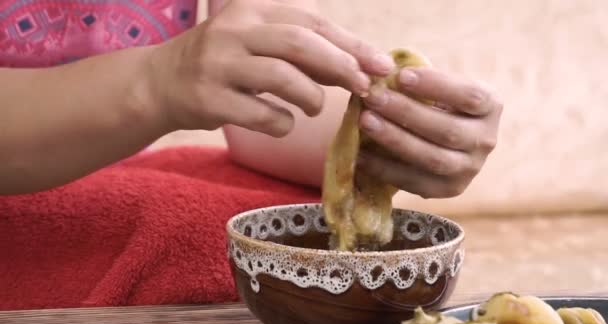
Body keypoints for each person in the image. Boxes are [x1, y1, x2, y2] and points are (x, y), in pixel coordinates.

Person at [0, 0, 502, 198]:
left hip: (107, 183)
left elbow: (258, 106)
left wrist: (390, 135)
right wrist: (158, 82)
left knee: (277, 233)